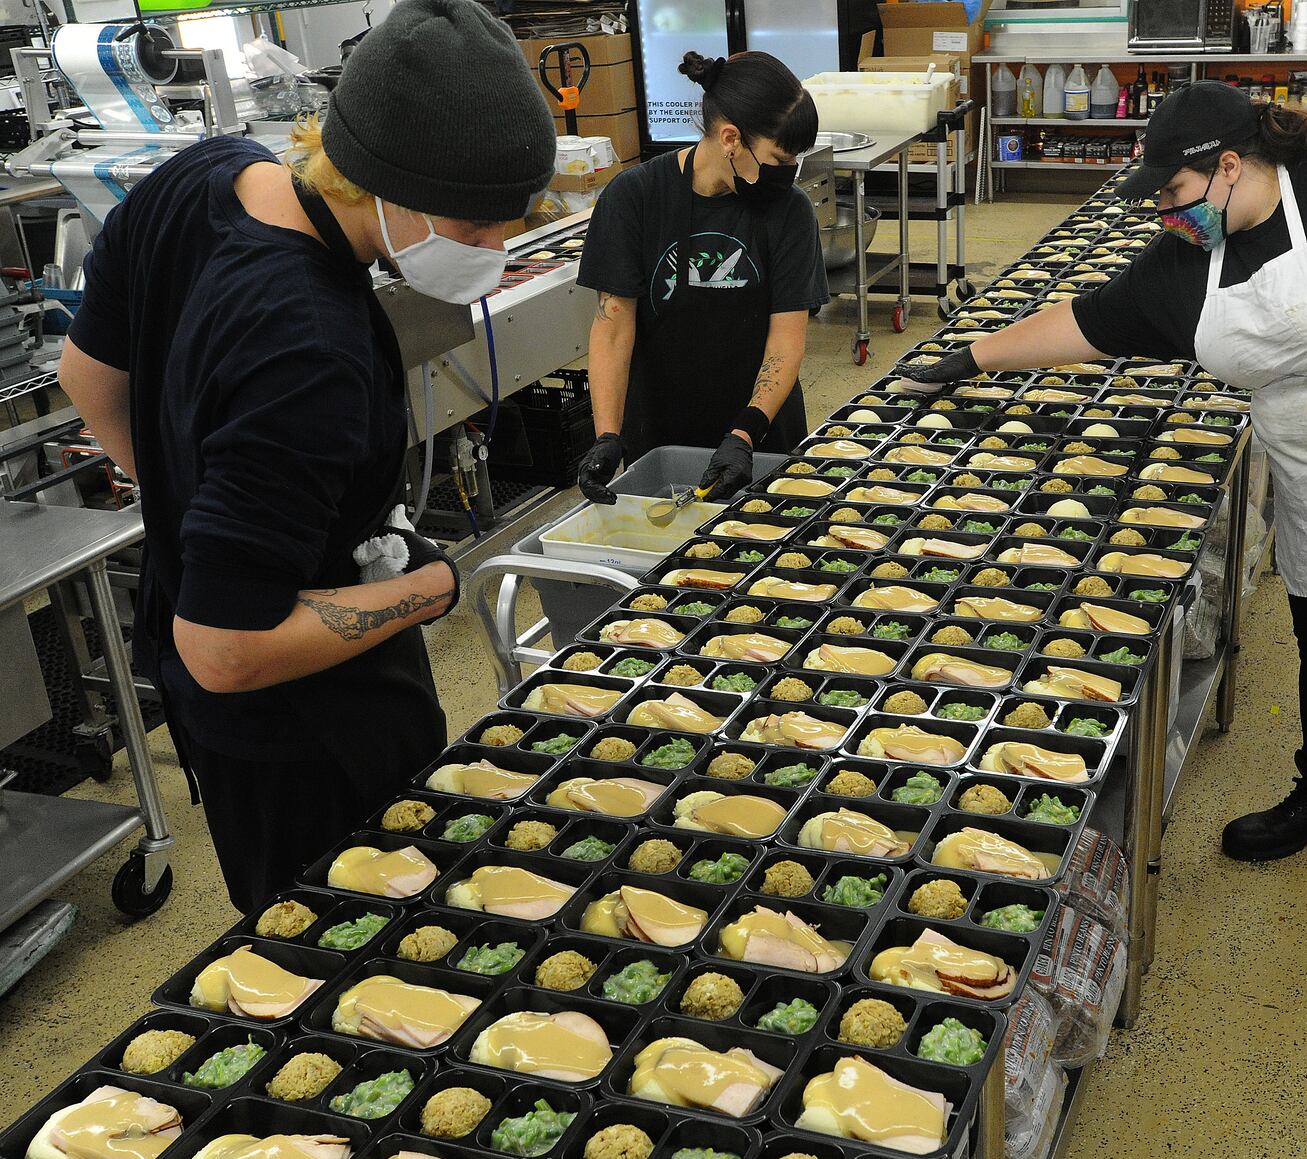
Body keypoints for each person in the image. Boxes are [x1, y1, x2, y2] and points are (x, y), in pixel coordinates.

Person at [898, 82, 1307, 912]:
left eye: (1173, 195)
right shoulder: (1185, 265)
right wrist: (970, 359)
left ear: (1229, 166)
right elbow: (1090, 319)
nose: (1165, 215)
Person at [59, 0, 556, 912]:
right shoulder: (309, 350)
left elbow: (85, 376)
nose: (494, 253)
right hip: (312, 736)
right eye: (478, 229)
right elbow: (226, 649)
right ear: (390, 183)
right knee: (356, 955)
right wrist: (430, 589)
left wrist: (180, 498)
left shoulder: (204, 175)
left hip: (230, 726)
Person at [575, 50, 828, 504]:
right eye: (779, 158)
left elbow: (787, 339)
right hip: (659, 432)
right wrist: (607, 436)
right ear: (731, 138)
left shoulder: (790, 212)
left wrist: (745, 435)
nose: (788, 174)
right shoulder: (635, 197)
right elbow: (613, 327)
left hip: (760, 435)